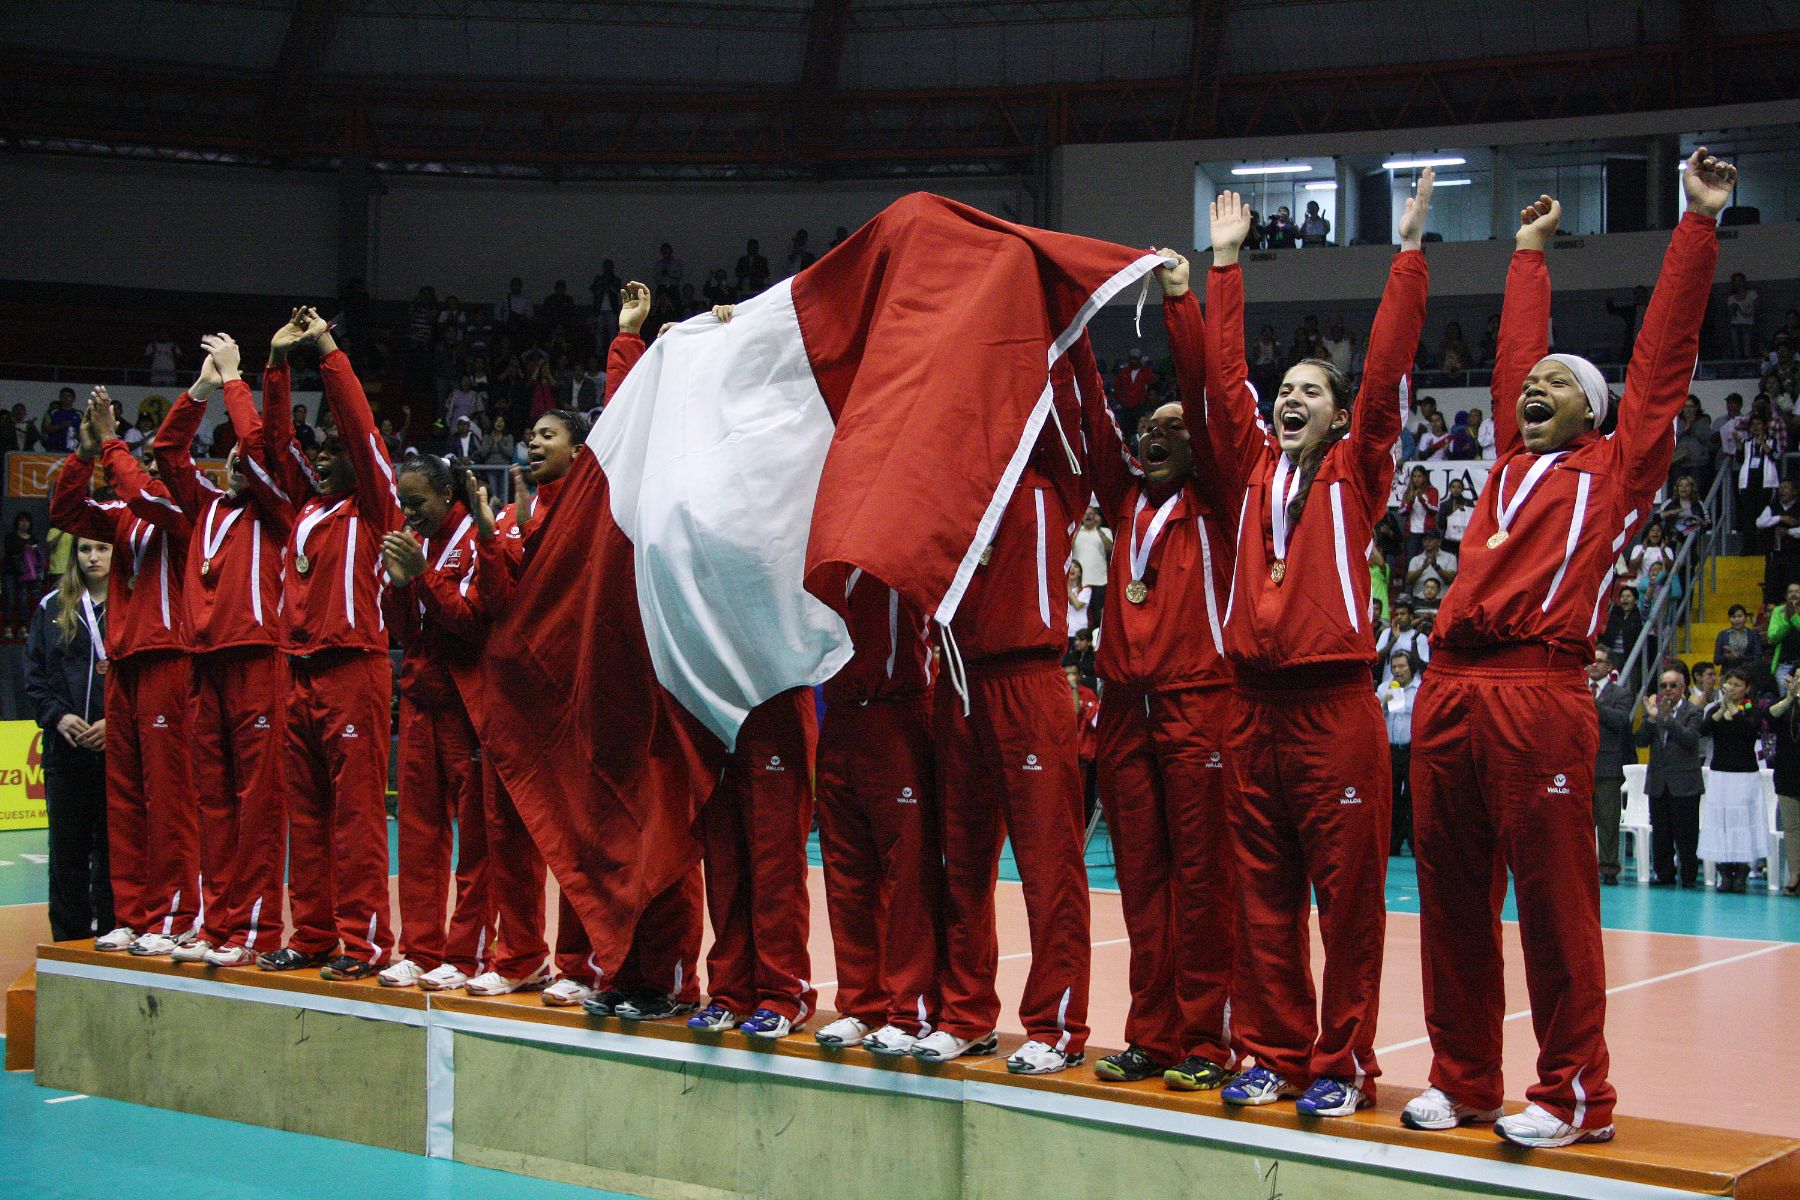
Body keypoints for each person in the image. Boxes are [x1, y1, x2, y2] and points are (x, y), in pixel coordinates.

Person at [1406, 149, 1733, 1151]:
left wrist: (1697, 225)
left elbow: (1665, 359)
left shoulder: (1619, 466)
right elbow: (1513, 354)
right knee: (1453, 899)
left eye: (1559, 382)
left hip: (1538, 691)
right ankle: (1463, 1077)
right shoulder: (1506, 459)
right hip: (1448, 689)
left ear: (1593, 411)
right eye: (1533, 382)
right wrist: (1526, 254)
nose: (1536, 386)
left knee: (1553, 908)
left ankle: (1574, 1092)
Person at [1200, 174, 1433, 1117]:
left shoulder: (1356, 469)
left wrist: (1408, 252)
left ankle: (1342, 1065)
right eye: (1284, 389)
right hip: (1253, 707)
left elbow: (1383, 373)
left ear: (1337, 416)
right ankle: (1268, 1052)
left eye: (1310, 391)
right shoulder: (1255, 465)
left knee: (1347, 906)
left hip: (1335, 708)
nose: (1291, 398)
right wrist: (1225, 267)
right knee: (1260, 899)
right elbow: (1223, 383)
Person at [1066, 264, 1241, 1091]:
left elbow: (1210, 399)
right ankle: (1153, 1032)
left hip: (1199, 703)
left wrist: (1181, 304)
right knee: (1142, 882)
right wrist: (1065, 324)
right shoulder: (1125, 497)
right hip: (1127, 711)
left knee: (1205, 882)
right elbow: (1095, 421)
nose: (1157, 435)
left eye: (1177, 425)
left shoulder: (1220, 498)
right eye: (1151, 425)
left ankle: (1210, 1039)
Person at [252, 306, 399, 981]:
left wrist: (328, 353)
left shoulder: (373, 508)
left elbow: (362, 432)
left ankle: (363, 944)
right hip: (297, 673)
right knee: (305, 817)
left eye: (331, 449)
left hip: (352, 672)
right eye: (320, 448)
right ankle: (312, 935)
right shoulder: (301, 511)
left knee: (357, 821)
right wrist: (277, 367)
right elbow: (274, 445)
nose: (320, 454)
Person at [147, 334, 294, 968]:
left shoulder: (280, 511)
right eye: (230, 458)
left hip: (258, 663)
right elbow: (166, 449)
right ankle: (219, 922)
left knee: (257, 806)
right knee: (212, 802)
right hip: (203, 667)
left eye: (244, 458)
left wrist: (238, 382)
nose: (238, 463)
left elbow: (264, 451)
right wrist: (202, 388)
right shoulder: (201, 508)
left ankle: (257, 931)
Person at [49, 387, 199, 958]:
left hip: (168, 661)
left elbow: (140, 489)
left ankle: (178, 915)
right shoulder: (124, 518)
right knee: (127, 801)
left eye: (162, 460)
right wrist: (84, 455)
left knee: (169, 800)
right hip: (126, 665)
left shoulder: (184, 511)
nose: (155, 466)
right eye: (152, 458)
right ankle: (135, 915)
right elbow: (65, 513)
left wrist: (112, 441)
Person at [809, 566, 944, 1058]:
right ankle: (861, 1003)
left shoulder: (904, 544)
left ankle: (912, 1009)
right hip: (841, 714)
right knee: (846, 875)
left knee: (907, 874)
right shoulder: (826, 557)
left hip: (899, 712)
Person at [373, 453, 493, 990]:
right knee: (419, 836)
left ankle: (467, 956)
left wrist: (423, 580)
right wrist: (399, 586)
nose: (408, 514)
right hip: (420, 703)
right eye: (402, 504)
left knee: (476, 838)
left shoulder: (476, 542)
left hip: (467, 708)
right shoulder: (415, 545)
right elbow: (403, 633)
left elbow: (471, 625)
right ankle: (421, 950)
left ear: (448, 496)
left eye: (417, 503)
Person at [24, 536, 113, 942]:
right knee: (67, 853)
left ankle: (113, 937)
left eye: (102, 548)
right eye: (84, 550)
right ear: (73, 555)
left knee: (115, 854)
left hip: (119, 751)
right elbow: (35, 677)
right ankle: (69, 943)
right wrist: (58, 716)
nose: (92, 557)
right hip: (66, 749)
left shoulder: (137, 603)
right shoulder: (51, 607)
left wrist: (117, 722)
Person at [1698, 668, 1767, 893]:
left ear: (1747, 688)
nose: (1734, 689)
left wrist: (1734, 711)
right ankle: (1724, 872)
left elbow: (1748, 731)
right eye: (1730, 684)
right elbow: (1703, 730)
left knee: (1743, 822)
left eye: (1739, 685)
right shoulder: (1715, 709)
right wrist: (1721, 708)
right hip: (1720, 774)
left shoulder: (1753, 710)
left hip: (1745, 775)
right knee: (1722, 823)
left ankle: (1742, 872)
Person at [1588, 648, 1635, 886]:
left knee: (1607, 820)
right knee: (1579, 823)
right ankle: (1581, 867)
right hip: (1578, 764)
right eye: (1591, 661)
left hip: (1607, 766)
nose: (1593, 665)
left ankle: (1608, 868)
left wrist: (1593, 703)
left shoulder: (1621, 694)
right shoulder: (1573, 689)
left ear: (1609, 667)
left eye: (1599, 661)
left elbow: (1620, 721)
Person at [1381, 651, 1421, 856]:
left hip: (1412, 749)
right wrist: (1383, 703)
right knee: (1391, 797)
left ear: (1411, 667)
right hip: (1389, 750)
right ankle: (1392, 843)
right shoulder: (1384, 688)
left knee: (1414, 797)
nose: (1397, 671)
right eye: (1394, 667)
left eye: (1401, 667)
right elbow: (1375, 718)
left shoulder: (1421, 689)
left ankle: (1416, 843)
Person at [1765, 668, 1800, 895]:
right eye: (1797, 677)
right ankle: (1795, 873)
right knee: (1791, 827)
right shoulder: (1784, 703)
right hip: (1788, 773)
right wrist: (1789, 698)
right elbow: (1768, 719)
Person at [1757, 477, 1800, 603]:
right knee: (1773, 591)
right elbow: (1760, 522)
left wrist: (1788, 532)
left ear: (1794, 492)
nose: (1782, 490)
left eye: (1786, 487)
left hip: (1795, 558)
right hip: (1775, 556)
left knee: (1794, 590)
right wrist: (1780, 518)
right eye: (1780, 488)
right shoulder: (1772, 508)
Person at [4, 512, 46, 638]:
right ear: (17, 523)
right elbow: (10, 550)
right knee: (10, 599)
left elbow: (38, 556)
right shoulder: (10, 536)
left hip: (26, 574)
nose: (24, 524)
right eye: (21, 521)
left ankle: (23, 627)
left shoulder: (33, 538)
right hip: (11, 572)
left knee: (23, 600)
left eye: (26, 521)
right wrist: (25, 547)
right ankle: (8, 627)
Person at [1070, 506, 1113, 621]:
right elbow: (1068, 547)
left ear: (1096, 517)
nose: (1088, 516)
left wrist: (1099, 529)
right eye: (1085, 513)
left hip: (1099, 581)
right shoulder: (1076, 532)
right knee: (1077, 615)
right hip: (1080, 582)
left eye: (1091, 513)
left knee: (1098, 617)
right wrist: (1077, 528)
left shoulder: (1105, 531)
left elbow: (1110, 549)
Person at [1376, 599, 1430, 685]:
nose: (1399, 617)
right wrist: (1393, 640)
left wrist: (1414, 641)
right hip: (1389, 686)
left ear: (1411, 617)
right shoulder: (1387, 633)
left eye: (1403, 614)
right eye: (1397, 614)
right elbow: (1377, 658)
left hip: (1413, 688)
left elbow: (1422, 665)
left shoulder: (1420, 637)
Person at [1398, 465, 1438, 563]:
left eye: (1419, 476)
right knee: (1410, 560)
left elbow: (1434, 510)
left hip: (1428, 531)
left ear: (1424, 477)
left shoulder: (1432, 491)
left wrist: (1421, 499)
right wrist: (1410, 502)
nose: (1417, 479)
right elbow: (1401, 512)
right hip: (1412, 532)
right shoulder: (1408, 492)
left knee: (1428, 559)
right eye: (1414, 476)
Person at [1714, 605, 1766, 680]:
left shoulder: (1753, 635)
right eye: (1733, 617)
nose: (1736, 619)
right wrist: (1726, 656)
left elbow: (1758, 657)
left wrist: (1739, 657)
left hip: (1748, 675)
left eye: (1740, 616)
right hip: (1727, 675)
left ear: (1745, 617)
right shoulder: (1722, 635)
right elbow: (1716, 660)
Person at [1599, 584, 1644, 661]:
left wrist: (1651, 586)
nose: (1625, 598)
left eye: (1628, 596)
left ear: (1636, 601)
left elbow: (1647, 602)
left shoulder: (1639, 615)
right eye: (1622, 596)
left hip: (1630, 657)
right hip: (1611, 655)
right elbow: (1605, 599)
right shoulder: (1615, 613)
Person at [1405, 529, 1457, 593]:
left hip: (1442, 599)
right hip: (1420, 599)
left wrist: (1436, 566)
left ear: (1439, 542)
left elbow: (1450, 579)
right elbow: (1409, 581)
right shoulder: (1415, 559)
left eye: (1431, 539)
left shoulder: (1450, 557)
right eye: (1425, 540)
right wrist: (1422, 568)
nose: (1427, 542)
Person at [1771, 582, 1800, 689]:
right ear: (1786, 596)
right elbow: (1773, 636)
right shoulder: (1778, 611)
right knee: (1784, 701)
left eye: (1797, 591)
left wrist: (1793, 617)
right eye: (1790, 592)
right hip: (1784, 665)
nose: (1793, 594)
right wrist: (1787, 623)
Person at [1436, 477, 1475, 551]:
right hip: (1449, 539)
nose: (1456, 490)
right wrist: (1453, 514)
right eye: (1453, 487)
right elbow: (1441, 524)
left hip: (1465, 538)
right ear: (1450, 489)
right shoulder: (1444, 505)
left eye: (1459, 487)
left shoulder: (1469, 503)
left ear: (1462, 489)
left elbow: (1473, 521)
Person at [1727, 272, 1759, 360]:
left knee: (1747, 349)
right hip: (1735, 325)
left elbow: (1757, 309)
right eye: (1735, 281)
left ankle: (1748, 367)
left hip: (1748, 324)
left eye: (1740, 281)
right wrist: (1733, 309)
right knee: (1736, 348)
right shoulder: (1731, 298)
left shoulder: (1752, 294)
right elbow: (1730, 314)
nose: (1738, 283)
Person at [1064, 562, 1093, 645]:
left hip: (1079, 632)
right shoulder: (1060, 589)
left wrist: (1068, 587)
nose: (1072, 569)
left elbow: (1078, 605)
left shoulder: (1086, 589)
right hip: (1064, 631)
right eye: (1070, 567)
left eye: (1075, 567)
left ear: (1080, 573)